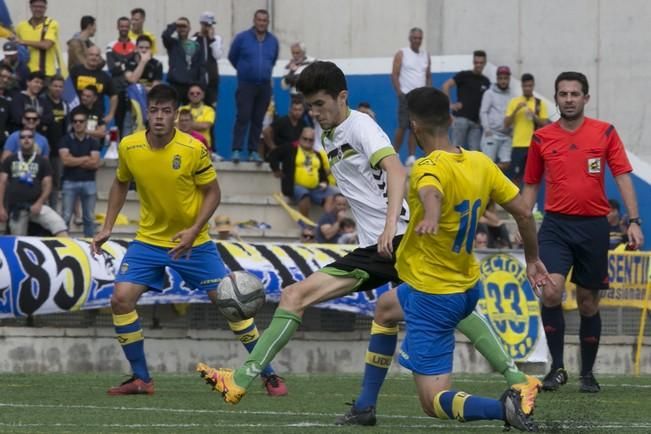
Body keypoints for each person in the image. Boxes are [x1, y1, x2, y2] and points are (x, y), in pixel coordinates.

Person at [195, 63, 542, 423]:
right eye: (309, 106)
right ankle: (509, 381)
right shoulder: (330, 132)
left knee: (295, 296)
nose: (314, 113)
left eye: (320, 104)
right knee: (394, 310)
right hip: (394, 242)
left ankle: (240, 379)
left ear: (342, 98)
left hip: (392, 241)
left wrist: (389, 224)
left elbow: (394, 169)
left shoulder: (361, 127)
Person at [91, 84, 287, 397]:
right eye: (154, 109)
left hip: (194, 244)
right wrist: (107, 226)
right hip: (149, 242)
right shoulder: (130, 146)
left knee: (230, 305)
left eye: (166, 111)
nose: (158, 116)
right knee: (120, 299)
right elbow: (119, 183)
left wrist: (194, 230)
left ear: (176, 115)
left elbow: (213, 192)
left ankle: (269, 375)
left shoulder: (193, 148)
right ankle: (142, 379)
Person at [381, 87, 548, 431]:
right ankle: (366, 402)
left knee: (432, 402)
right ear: (452, 119)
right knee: (385, 306)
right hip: (466, 286)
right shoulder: (481, 162)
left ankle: (505, 409)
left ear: (414, 125)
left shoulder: (426, 166)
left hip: (434, 294)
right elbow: (525, 214)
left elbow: (431, 189)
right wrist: (532, 259)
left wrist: (431, 213)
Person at [522, 71, 645, 394]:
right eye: (563, 94)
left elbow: (621, 176)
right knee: (550, 291)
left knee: (589, 304)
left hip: (593, 227)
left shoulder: (604, 132)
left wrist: (634, 220)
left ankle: (587, 373)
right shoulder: (542, 137)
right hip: (555, 226)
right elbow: (531, 183)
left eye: (575, 94)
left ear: (586, 98)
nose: (569, 99)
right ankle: (557, 368)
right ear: (557, 98)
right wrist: (524, 224)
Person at [228, 9, 279, 164]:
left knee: (258, 119)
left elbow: (273, 59)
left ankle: (253, 151)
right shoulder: (242, 38)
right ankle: (237, 149)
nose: (262, 23)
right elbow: (232, 57)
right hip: (246, 84)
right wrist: (245, 71)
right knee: (243, 116)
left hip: (264, 85)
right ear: (254, 21)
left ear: (267, 23)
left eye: (265, 20)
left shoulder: (273, 41)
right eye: (259, 20)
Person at [0, 128, 68, 236]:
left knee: (58, 224)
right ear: (19, 141)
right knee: (17, 241)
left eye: (29, 137)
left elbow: (48, 184)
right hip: (17, 208)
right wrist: (1, 207)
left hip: (37, 205)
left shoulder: (42, 161)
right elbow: (2, 183)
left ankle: (67, 248)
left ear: (34, 140)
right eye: (23, 137)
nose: (26, 139)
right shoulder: (10, 160)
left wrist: (39, 202)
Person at [268, 126, 337, 218]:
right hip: (295, 186)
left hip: (315, 187)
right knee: (304, 195)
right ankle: (306, 225)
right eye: (305, 139)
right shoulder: (290, 149)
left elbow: (321, 172)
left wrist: (324, 181)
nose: (307, 142)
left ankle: (327, 222)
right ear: (300, 138)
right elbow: (273, 155)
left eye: (310, 140)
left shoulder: (317, 154)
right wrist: (276, 169)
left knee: (332, 195)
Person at [391, 27, 431, 166]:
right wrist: (399, 93)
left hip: (420, 96)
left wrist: (428, 92)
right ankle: (393, 154)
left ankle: (411, 157)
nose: (417, 40)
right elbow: (394, 74)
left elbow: (428, 76)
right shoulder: (402, 53)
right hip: (406, 95)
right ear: (410, 38)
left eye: (420, 38)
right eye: (415, 38)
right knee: (402, 126)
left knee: (415, 128)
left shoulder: (426, 55)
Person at [59, 109, 101, 237]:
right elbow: (65, 161)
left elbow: (95, 163)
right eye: (75, 121)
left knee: (89, 217)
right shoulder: (65, 140)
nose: (78, 124)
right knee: (65, 216)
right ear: (72, 123)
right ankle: (63, 243)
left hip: (89, 182)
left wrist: (74, 159)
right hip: (69, 182)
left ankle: (90, 246)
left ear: (86, 123)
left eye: (81, 121)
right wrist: (85, 158)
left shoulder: (93, 141)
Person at [504, 73, 550, 185]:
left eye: (530, 86)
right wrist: (516, 110)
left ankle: (528, 201)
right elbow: (506, 123)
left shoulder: (539, 103)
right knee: (515, 178)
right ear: (522, 86)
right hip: (518, 144)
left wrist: (534, 116)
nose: (527, 88)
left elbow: (545, 124)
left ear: (533, 86)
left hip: (533, 145)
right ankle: (516, 201)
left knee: (532, 177)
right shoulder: (514, 102)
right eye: (525, 86)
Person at [442, 50, 490, 151]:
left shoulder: (486, 81)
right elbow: (446, 85)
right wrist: (450, 105)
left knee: (475, 153)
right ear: (473, 62)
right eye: (476, 62)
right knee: (456, 150)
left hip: (476, 123)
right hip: (461, 120)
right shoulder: (464, 75)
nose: (478, 65)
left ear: (485, 63)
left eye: (481, 63)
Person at [14, 0, 64, 79]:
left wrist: (23, 41)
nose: (38, 9)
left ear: (45, 8)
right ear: (30, 7)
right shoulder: (21, 26)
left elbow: (46, 45)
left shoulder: (51, 23)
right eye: (35, 6)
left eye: (41, 7)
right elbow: (14, 44)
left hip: (46, 74)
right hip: (26, 73)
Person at [69, 45, 117, 126]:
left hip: (96, 117)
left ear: (100, 58)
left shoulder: (105, 77)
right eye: (91, 54)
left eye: (97, 55)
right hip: (77, 116)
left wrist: (111, 114)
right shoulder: (75, 71)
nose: (94, 57)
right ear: (86, 56)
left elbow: (114, 95)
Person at [479, 66, 515, 171]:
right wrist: (487, 129)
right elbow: (483, 112)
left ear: (509, 79)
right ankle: (488, 185)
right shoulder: (489, 93)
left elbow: (512, 115)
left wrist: (512, 131)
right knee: (488, 164)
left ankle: (494, 178)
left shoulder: (512, 96)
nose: (503, 81)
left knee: (506, 164)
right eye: (501, 78)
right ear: (497, 79)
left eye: (505, 78)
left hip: (506, 136)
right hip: (492, 135)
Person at [162, 17, 200, 105]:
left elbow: (199, 65)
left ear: (189, 28)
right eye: (180, 26)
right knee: (173, 112)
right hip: (175, 84)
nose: (182, 29)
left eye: (184, 26)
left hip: (190, 85)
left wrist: (197, 84)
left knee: (190, 115)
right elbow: (165, 35)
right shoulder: (172, 43)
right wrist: (175, 24)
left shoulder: (195, 45)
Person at [262, 94, 308, 160]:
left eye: (300, 110)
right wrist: (273, 147)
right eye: (295, 109)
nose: (297, 112)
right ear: (290, 109)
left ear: (303, 110)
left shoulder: (303, 124)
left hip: (295, 156)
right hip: (280, 156)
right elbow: (266, 131)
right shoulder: (282, 121)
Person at [193, 11, 222, 107]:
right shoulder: (194, 39)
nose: (208, 27)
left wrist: (212, 40)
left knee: (211, 108)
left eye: (211, 25)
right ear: (201, 24)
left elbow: (218, 55)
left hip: (212, 81)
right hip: (197, 80)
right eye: (206, 24)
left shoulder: (217, 39)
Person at [179, 84, 215, 151]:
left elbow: (205, 126)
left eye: (198, 93)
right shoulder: (181, 109)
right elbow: (175, 126)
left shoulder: (209, 110)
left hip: (203, 145)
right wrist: (197, 125)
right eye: (192, 93)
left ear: (203, 95)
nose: (195, 95)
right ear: (188, 95)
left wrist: (184, 124)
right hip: (183, 144)